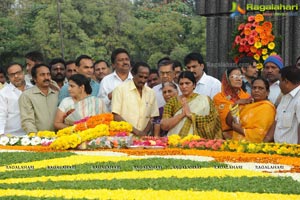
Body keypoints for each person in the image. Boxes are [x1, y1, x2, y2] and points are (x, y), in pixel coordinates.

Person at [161, 71, 222, 139]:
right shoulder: (172, 102)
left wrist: (190, 115)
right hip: (175, 142)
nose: (184, 86)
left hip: (198, 142)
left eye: (187, 83)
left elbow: (213, 121)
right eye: (181, 84)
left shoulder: (206, 100)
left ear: (194, 85)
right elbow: (164, 125)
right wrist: (182, 115)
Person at [112, 61, 159, 136]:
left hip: (144, 138)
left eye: (145, 78)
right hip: (124, 137)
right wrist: (136, 131)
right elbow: (116, 116)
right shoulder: (120, 90)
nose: (143, 80)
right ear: (133, 74)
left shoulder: (151, 93)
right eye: (140, 76)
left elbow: (152, 117)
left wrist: (144, 133)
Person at [226, 77, 275, 142]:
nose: (256, 90)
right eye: (254, 88)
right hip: (237, 144)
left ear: (267, 92)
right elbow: (229, 122)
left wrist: (240, 130)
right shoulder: (246, 104)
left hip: (253, 148)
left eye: (260, 88)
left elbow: (259, 134)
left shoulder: (267, 108)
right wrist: (236, 104)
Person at [264, 66, 300, 144]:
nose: (279, 85)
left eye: (280, 81)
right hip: (279, 150)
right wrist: (262, 145)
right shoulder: (285, 96)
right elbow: (276, 122)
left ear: (286, 82)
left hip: (293, 153)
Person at [213, 67, 252, 138]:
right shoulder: (218, 98)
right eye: (234, 76)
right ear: (227, 79)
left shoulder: (247, 97)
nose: (239, 79)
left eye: (240, 76)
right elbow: (216, 121)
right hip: (223, 137)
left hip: (243, 136)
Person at [19, 64, 58, 133]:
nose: (46, 77)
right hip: (39, 140)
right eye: (42, 75)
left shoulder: (56, 93)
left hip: (59, 138)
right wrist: (36, 138)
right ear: (34, 78)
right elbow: (27, 121)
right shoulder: (27, 95)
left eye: (48, 74)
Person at [0, 63, 31, 136]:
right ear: (8, 77)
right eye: (12, 74)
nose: (16, 76)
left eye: (18, 73)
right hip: (11, 136)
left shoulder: (33, 89)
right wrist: (1, 135)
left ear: (23, 73)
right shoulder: (3, 93)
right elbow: (1, 115)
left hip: (33, 134)